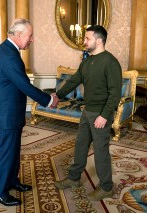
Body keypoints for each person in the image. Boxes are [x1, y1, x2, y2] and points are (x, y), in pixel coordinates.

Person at [0, 18, 59, 206]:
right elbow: (24, 85)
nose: (32, 40)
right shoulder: (8, 55)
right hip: (6, 114)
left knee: (14, 151)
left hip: (10, 111)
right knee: (7, 153)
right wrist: (48, 100)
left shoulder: (8, 50)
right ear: (18, 35)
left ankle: (11, 181)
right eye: (30, 35)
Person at [54, 25, 122, 201]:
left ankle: (106, 187)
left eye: (87, 38)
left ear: (99, 40)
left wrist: (104, 115)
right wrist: (56, 96)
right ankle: (73, 178)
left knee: (100, 151)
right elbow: (73, 81)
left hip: (100, 113)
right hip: (87, 111)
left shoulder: (110, 62)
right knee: (80, 146)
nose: (84, 41)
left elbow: (115, 94)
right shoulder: (86, 62)